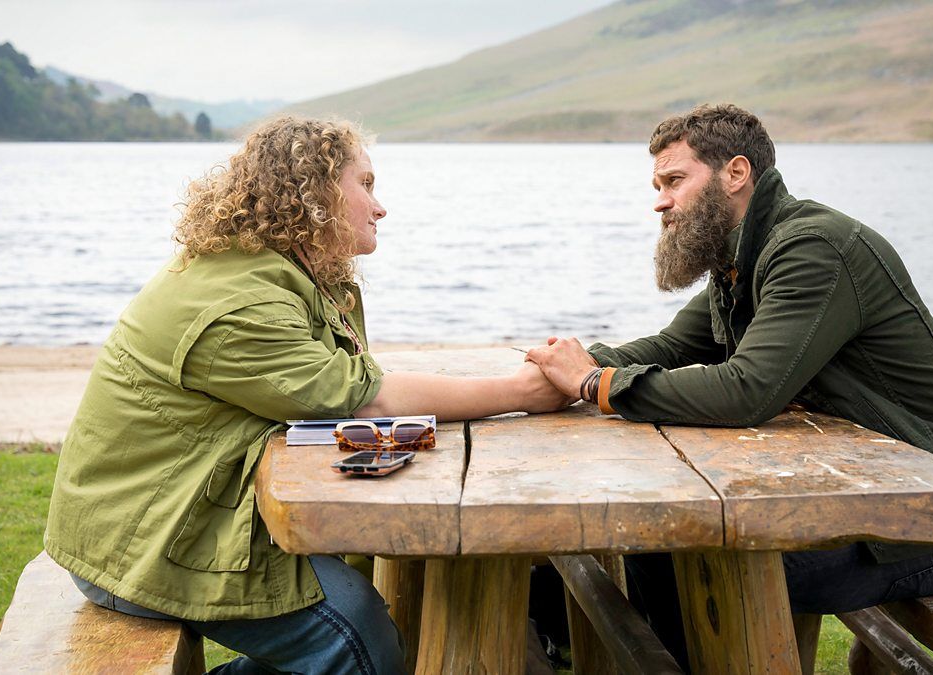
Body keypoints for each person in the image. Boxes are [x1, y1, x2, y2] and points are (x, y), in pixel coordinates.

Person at [44, 115, 569, 674]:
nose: (380, 206)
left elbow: (345, 384)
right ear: (312, 191)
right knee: (354, 634)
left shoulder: (278, 271)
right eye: (364, 184)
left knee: (383, 607)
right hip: (143, 544)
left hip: (176, 514)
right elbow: (361, 397)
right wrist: (519, 392)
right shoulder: (239, 300)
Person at [525, 103, 933, 668]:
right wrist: (556, 368)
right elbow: (670, 347)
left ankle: (549, 630)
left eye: (674, 181)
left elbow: (746, 390)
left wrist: (592, 383)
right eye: (658, 185)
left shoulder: (811, 248)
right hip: (859, 498)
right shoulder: (743, 258)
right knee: (658, 546)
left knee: (687, 557)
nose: (659, 201)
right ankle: (551, 627)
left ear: (735, 173)